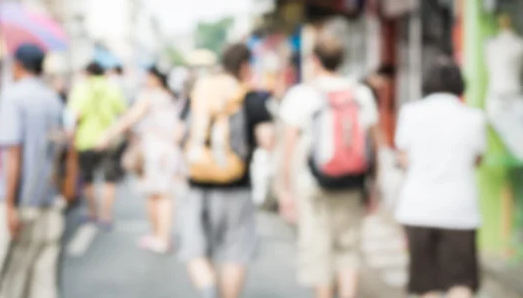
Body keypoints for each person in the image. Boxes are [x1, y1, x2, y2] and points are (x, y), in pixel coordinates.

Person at [278, 34, 379, 298]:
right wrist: (374, 187)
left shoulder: (301, 95)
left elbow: (288, 148)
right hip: (353, 183)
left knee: (317, 251)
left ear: (314, 60)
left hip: (312, 185)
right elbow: (374, 144)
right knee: (348, 250)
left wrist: (284, 189)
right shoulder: (361, 93)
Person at [177, 43, 272, 298]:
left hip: (197, 184)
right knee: (234, 254)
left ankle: (208, 290)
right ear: (244, 66)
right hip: (237, 187)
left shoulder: (201, 92)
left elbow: (180, 134)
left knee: (195, 250)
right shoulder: (249, 97)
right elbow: (268, 140)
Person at [0, 44, 65, 298]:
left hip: (18, 202)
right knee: (42, 283)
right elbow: (62, 151)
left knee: (2, 281)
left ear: (18, 66)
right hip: (47, 200)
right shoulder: (53, 99)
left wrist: (11, 206)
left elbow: (13, 153)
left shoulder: (12, 97)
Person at [394, 57, 485, 298]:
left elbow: (403, 159)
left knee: (427, 284)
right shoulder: (474, 117)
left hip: (418, 206)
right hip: (460, 209)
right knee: (461, 281)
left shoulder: (410, 113)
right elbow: (477, 160)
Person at [98, 65, 180, 253]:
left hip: (155, 151)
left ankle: (160, 237)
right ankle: (162, 236)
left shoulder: (150, 97)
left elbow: (130, 118)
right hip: (168, 151)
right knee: (164, 194)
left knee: (156, 194)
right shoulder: (168, 96)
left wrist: (107, 135)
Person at [67, 61, 127, 228]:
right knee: (109, 179)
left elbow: (76, 115)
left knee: (88, 179)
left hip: (85, 140)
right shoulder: (112, 88)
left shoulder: (81, 88)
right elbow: (123, 113)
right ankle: (106, 216)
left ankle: (93, 212)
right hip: (109, 139)